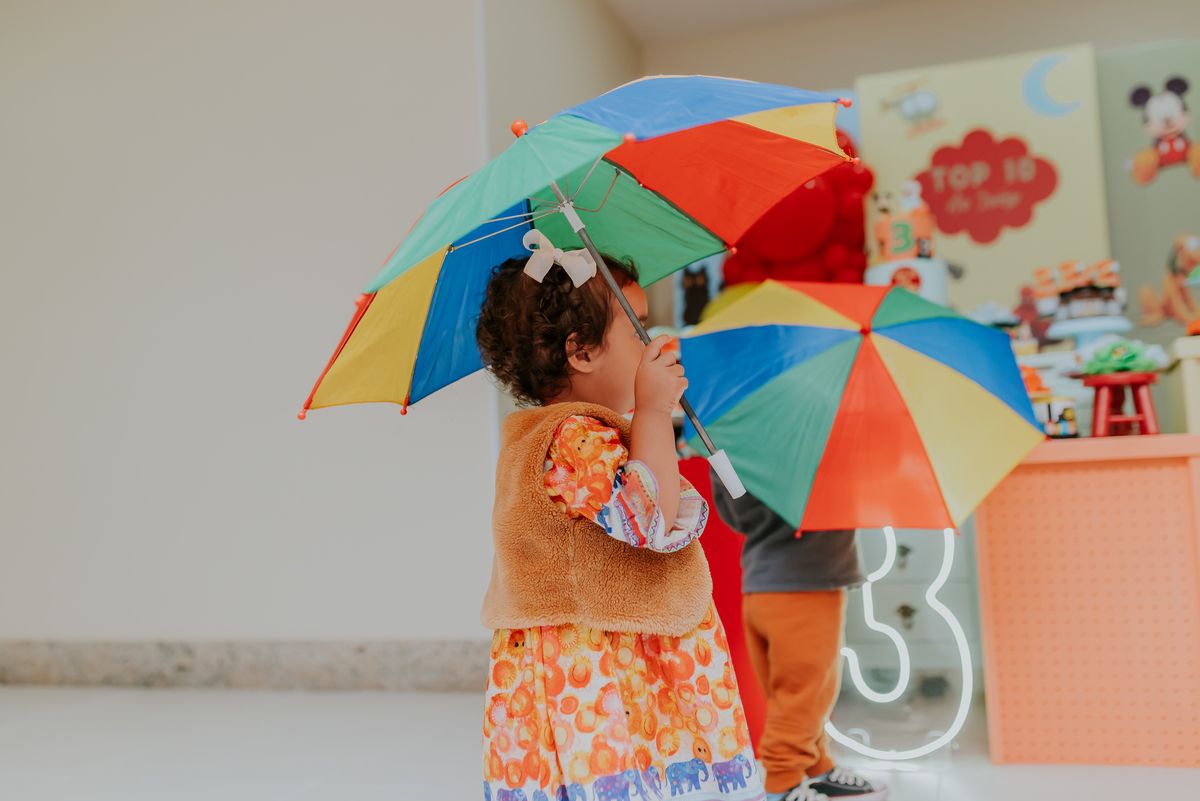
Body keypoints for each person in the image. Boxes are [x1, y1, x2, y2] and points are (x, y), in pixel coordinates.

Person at [475, 250, 764, 801]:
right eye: (638, 326)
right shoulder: (568, 441)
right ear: (581, 352)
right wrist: (653, 412)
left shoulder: (589, 432)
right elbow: (648, 519)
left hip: (621, 649)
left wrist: (648, 421)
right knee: (618, 779)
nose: (654, 342)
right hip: (599, 666)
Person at [709, 484, 888, 801]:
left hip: (761, 584)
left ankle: (817, 768)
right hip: (809, 582)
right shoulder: (812, 443)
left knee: (792, 694)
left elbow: (736, 514)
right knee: (804, 695)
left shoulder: (731, 444)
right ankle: (783, 780)